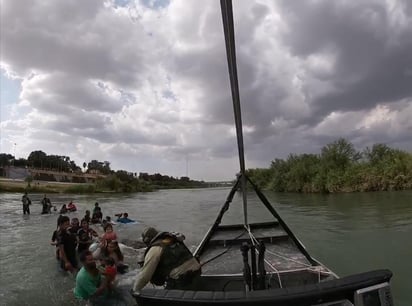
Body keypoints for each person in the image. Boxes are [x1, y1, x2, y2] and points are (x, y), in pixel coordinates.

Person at [133, 227, 201, 293]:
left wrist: (135, 289)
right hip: (197, 274)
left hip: (182, 283)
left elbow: (145, 275)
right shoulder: (173, 240)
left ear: (147, 240)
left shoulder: (156, 248)